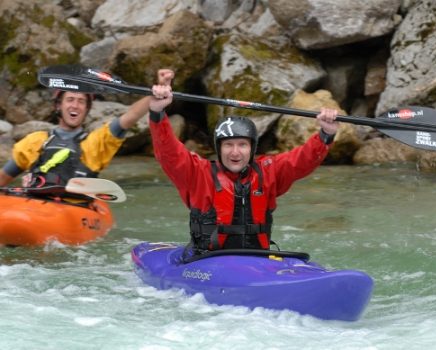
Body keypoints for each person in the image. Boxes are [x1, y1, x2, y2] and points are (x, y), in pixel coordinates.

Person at [148, 75, 339, 254]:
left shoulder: (268, 172)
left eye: (242, 145)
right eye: (228, 145)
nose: (235, 152)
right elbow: (169, 153)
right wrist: (157, 114)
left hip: (257, 259)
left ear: (252, 148)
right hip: (208, 260)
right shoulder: (198, 174)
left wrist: (326, 135)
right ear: (219, 148)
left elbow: (302, 160)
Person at [0, 69, 175, 188]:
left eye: (81, 101)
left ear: (87, 109)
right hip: (35, 204)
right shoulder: (35, 141)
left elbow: (129, 117)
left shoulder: (96, 142)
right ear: (58, 106)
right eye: (70, 100)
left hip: (74, 210)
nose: (75, 106)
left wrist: (155, 92)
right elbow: (4, 177)